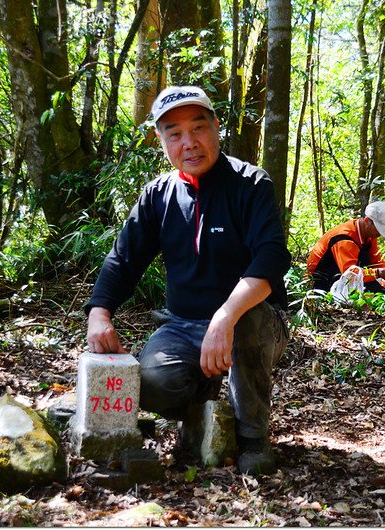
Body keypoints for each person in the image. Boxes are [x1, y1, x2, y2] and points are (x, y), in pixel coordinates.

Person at [84, 85, 291, 476]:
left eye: (198, 128)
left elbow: (271, 259)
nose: (189, 143)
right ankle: (205, 402)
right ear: (161, 140)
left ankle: (251, 435)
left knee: (244, 321)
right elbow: (124, 259)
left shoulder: (251, 184)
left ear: (216, 127)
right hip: (182, 326)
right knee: (150, 383)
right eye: (175, 133)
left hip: (256, 322)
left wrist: (225, 316)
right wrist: (99, 312)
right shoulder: (158, 195)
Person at [305, 201, 385, 293]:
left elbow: (376, 262)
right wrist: (379, 273)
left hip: (348, 278)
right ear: (367, 221)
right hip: (321, 282)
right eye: (378, 229)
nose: (380, 234)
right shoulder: (344, 238)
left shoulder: (369, 236)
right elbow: (350, 274)